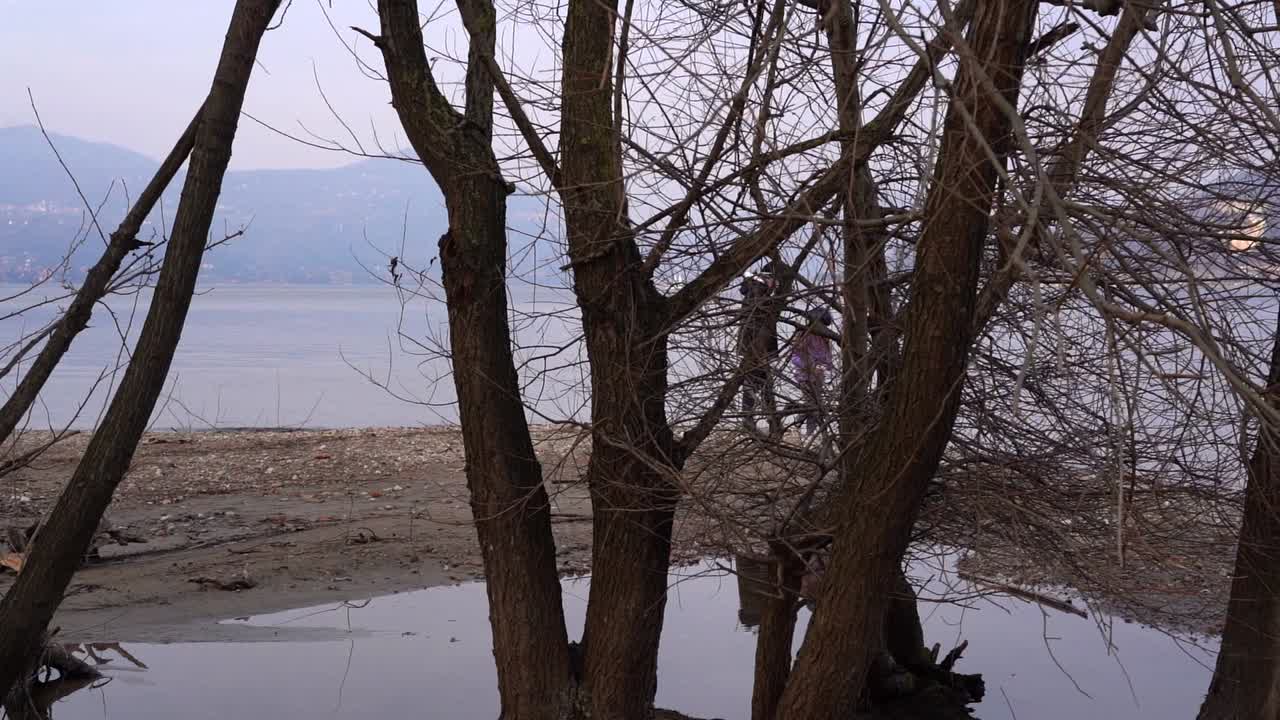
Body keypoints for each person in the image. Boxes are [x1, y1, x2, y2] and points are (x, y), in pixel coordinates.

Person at [737, 260, 782, 437]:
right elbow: (755, 326)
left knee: (758, 384)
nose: (777, 285)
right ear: (769, 278)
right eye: (776, 281)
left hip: (754, 349)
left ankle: (758, 421)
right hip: (757, 349)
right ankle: (766, 422)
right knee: (759, 384)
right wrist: (760, 352)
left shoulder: (756, 291)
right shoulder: (758, 293)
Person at [790, 306, 835, 437]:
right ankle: (799, 425)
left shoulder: (825, 338)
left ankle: (810, 434)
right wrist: (810, 367)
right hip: (805, 376)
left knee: (815, 405)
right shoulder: (804, 336)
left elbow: (827, 357)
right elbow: (795, 357)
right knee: (812, 405)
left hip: (819, 377)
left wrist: (827, 366)